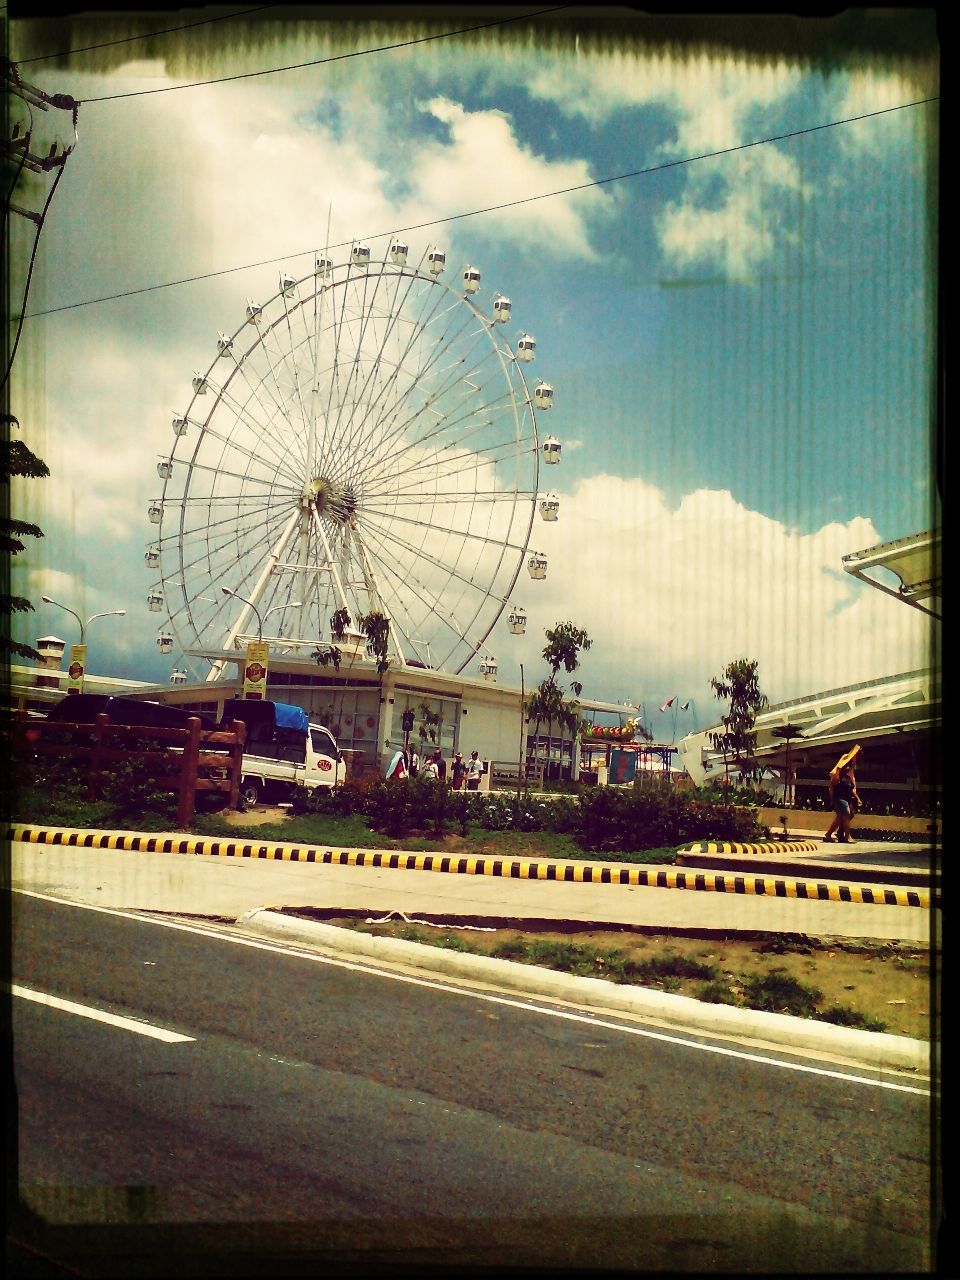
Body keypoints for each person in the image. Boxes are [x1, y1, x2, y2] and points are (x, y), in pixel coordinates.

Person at [824, 763, 860, 843]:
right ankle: (847, 837)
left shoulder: (848, 778)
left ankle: (828, 835)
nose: (847, 768)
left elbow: (851, 790)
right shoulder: (837, 778)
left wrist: (857, 798)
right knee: (846, 816)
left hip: (847, 799)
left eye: (848, 766)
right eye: (846, 766)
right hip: (840, 799)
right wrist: (832, 799)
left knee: (839, 819)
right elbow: (831, 788)